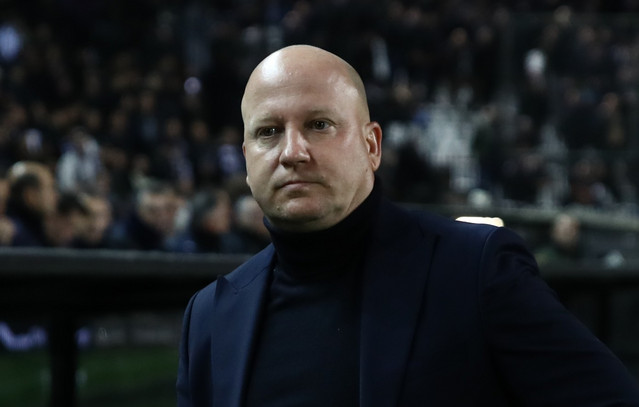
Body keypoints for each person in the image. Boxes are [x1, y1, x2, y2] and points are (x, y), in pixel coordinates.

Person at [177, 45, 639, 406]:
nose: (292, 151)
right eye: (268, 132)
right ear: (246, 160)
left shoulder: (475, 270)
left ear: (372, 146)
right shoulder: (210, 317)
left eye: (319, 124)